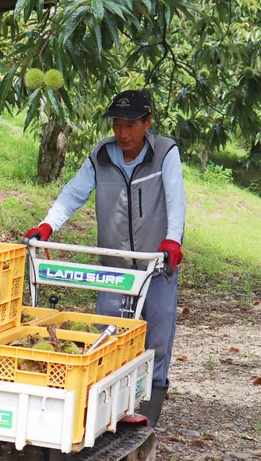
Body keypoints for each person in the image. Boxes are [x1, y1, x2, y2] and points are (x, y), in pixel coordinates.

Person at [24, 89, 186, 428]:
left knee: (157, 339)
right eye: (117, 125)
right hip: (115, 268)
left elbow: (176, 198)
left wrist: (172, 240)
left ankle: (149, 413)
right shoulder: (101, 155)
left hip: (156, 265)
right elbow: (73, 192)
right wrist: (47, 226)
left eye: (130, 125)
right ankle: (106, 413)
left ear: (147, 122)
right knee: (107, 337)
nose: (123, 134)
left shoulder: (164, 153)